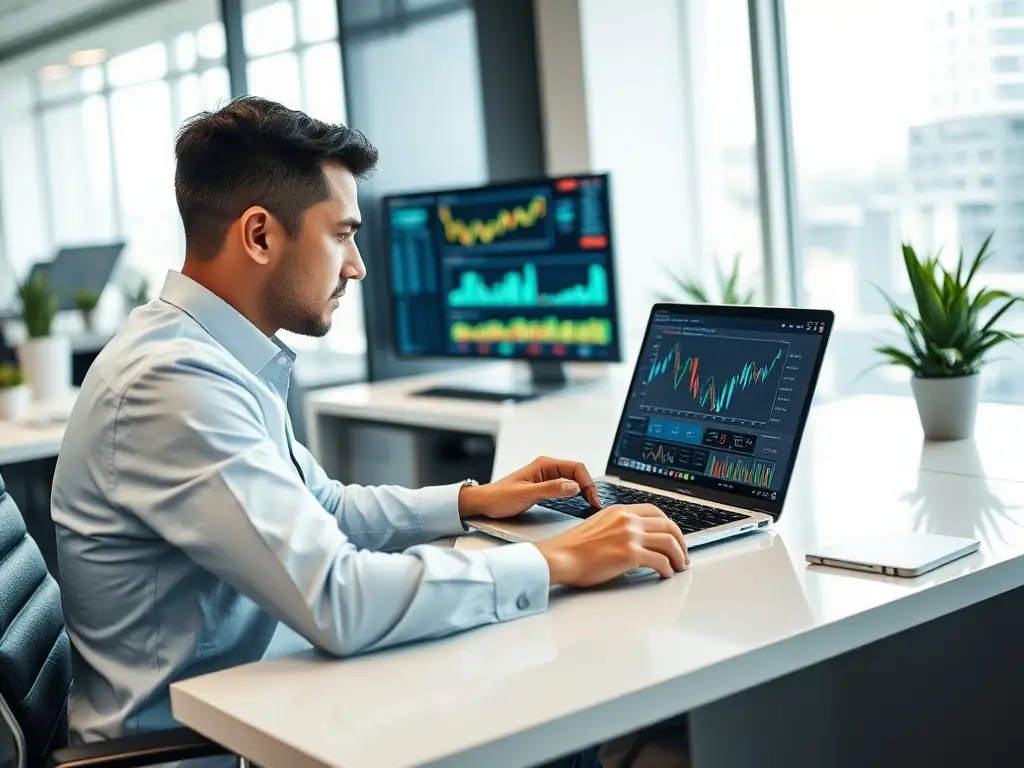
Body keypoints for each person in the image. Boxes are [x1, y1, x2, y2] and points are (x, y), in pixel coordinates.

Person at [51, 96, 689, 765]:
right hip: (202, 748)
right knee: (542, 726)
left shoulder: (208, 354)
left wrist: (471, 502)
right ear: (261, 236)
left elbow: (320, 508)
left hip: (254, 703)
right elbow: (338, 599)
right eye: (341, 234)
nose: (356, 265)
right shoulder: (173, 383)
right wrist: (556, 558)